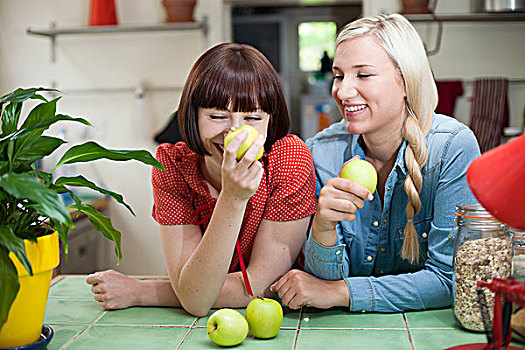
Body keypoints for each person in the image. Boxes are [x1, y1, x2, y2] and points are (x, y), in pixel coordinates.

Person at [87, 43, 317, 317]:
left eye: (253, 117)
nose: (235, 133)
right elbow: (196, 300)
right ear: (192, 115)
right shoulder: (172, 166)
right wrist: (232, 198)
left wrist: (143, 291)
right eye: (217, 116)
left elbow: (260, 285)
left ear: (270, 120)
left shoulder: (288, 159)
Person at [271, 14, 481, 312]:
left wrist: (344, 293)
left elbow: (451, 280)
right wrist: (324, 227)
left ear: (405, 81)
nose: (342, 92)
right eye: (339, 75)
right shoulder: (320, 152)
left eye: (363, 75)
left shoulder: (451, 148)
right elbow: (322, 283)